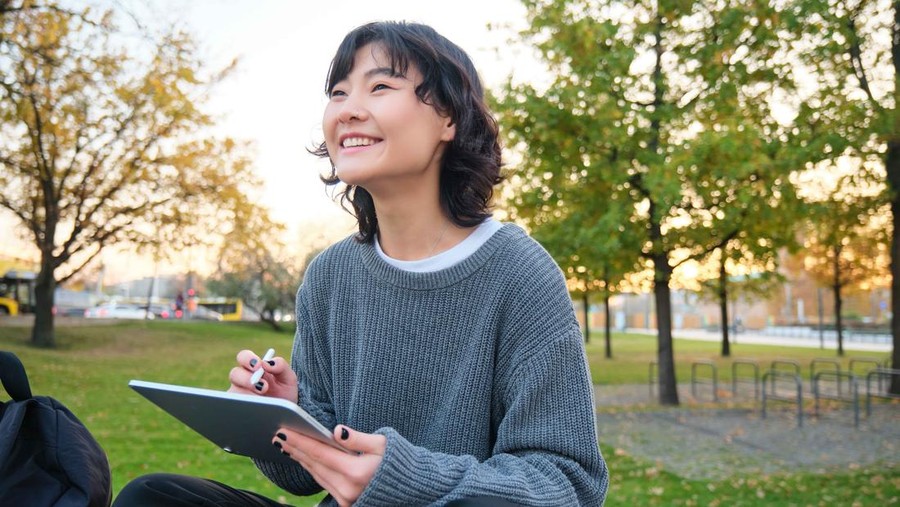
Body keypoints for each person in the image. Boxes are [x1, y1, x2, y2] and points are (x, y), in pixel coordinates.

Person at [113, 21, 608, 506]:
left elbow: (567, 483)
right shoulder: (330, 275)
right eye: (339, 93)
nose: (348, 111)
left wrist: (405, 480)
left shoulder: (519, 273)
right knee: (151, 496)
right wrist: (287, 413)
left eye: (380, 86)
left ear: (448, 120)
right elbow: (306, 480)